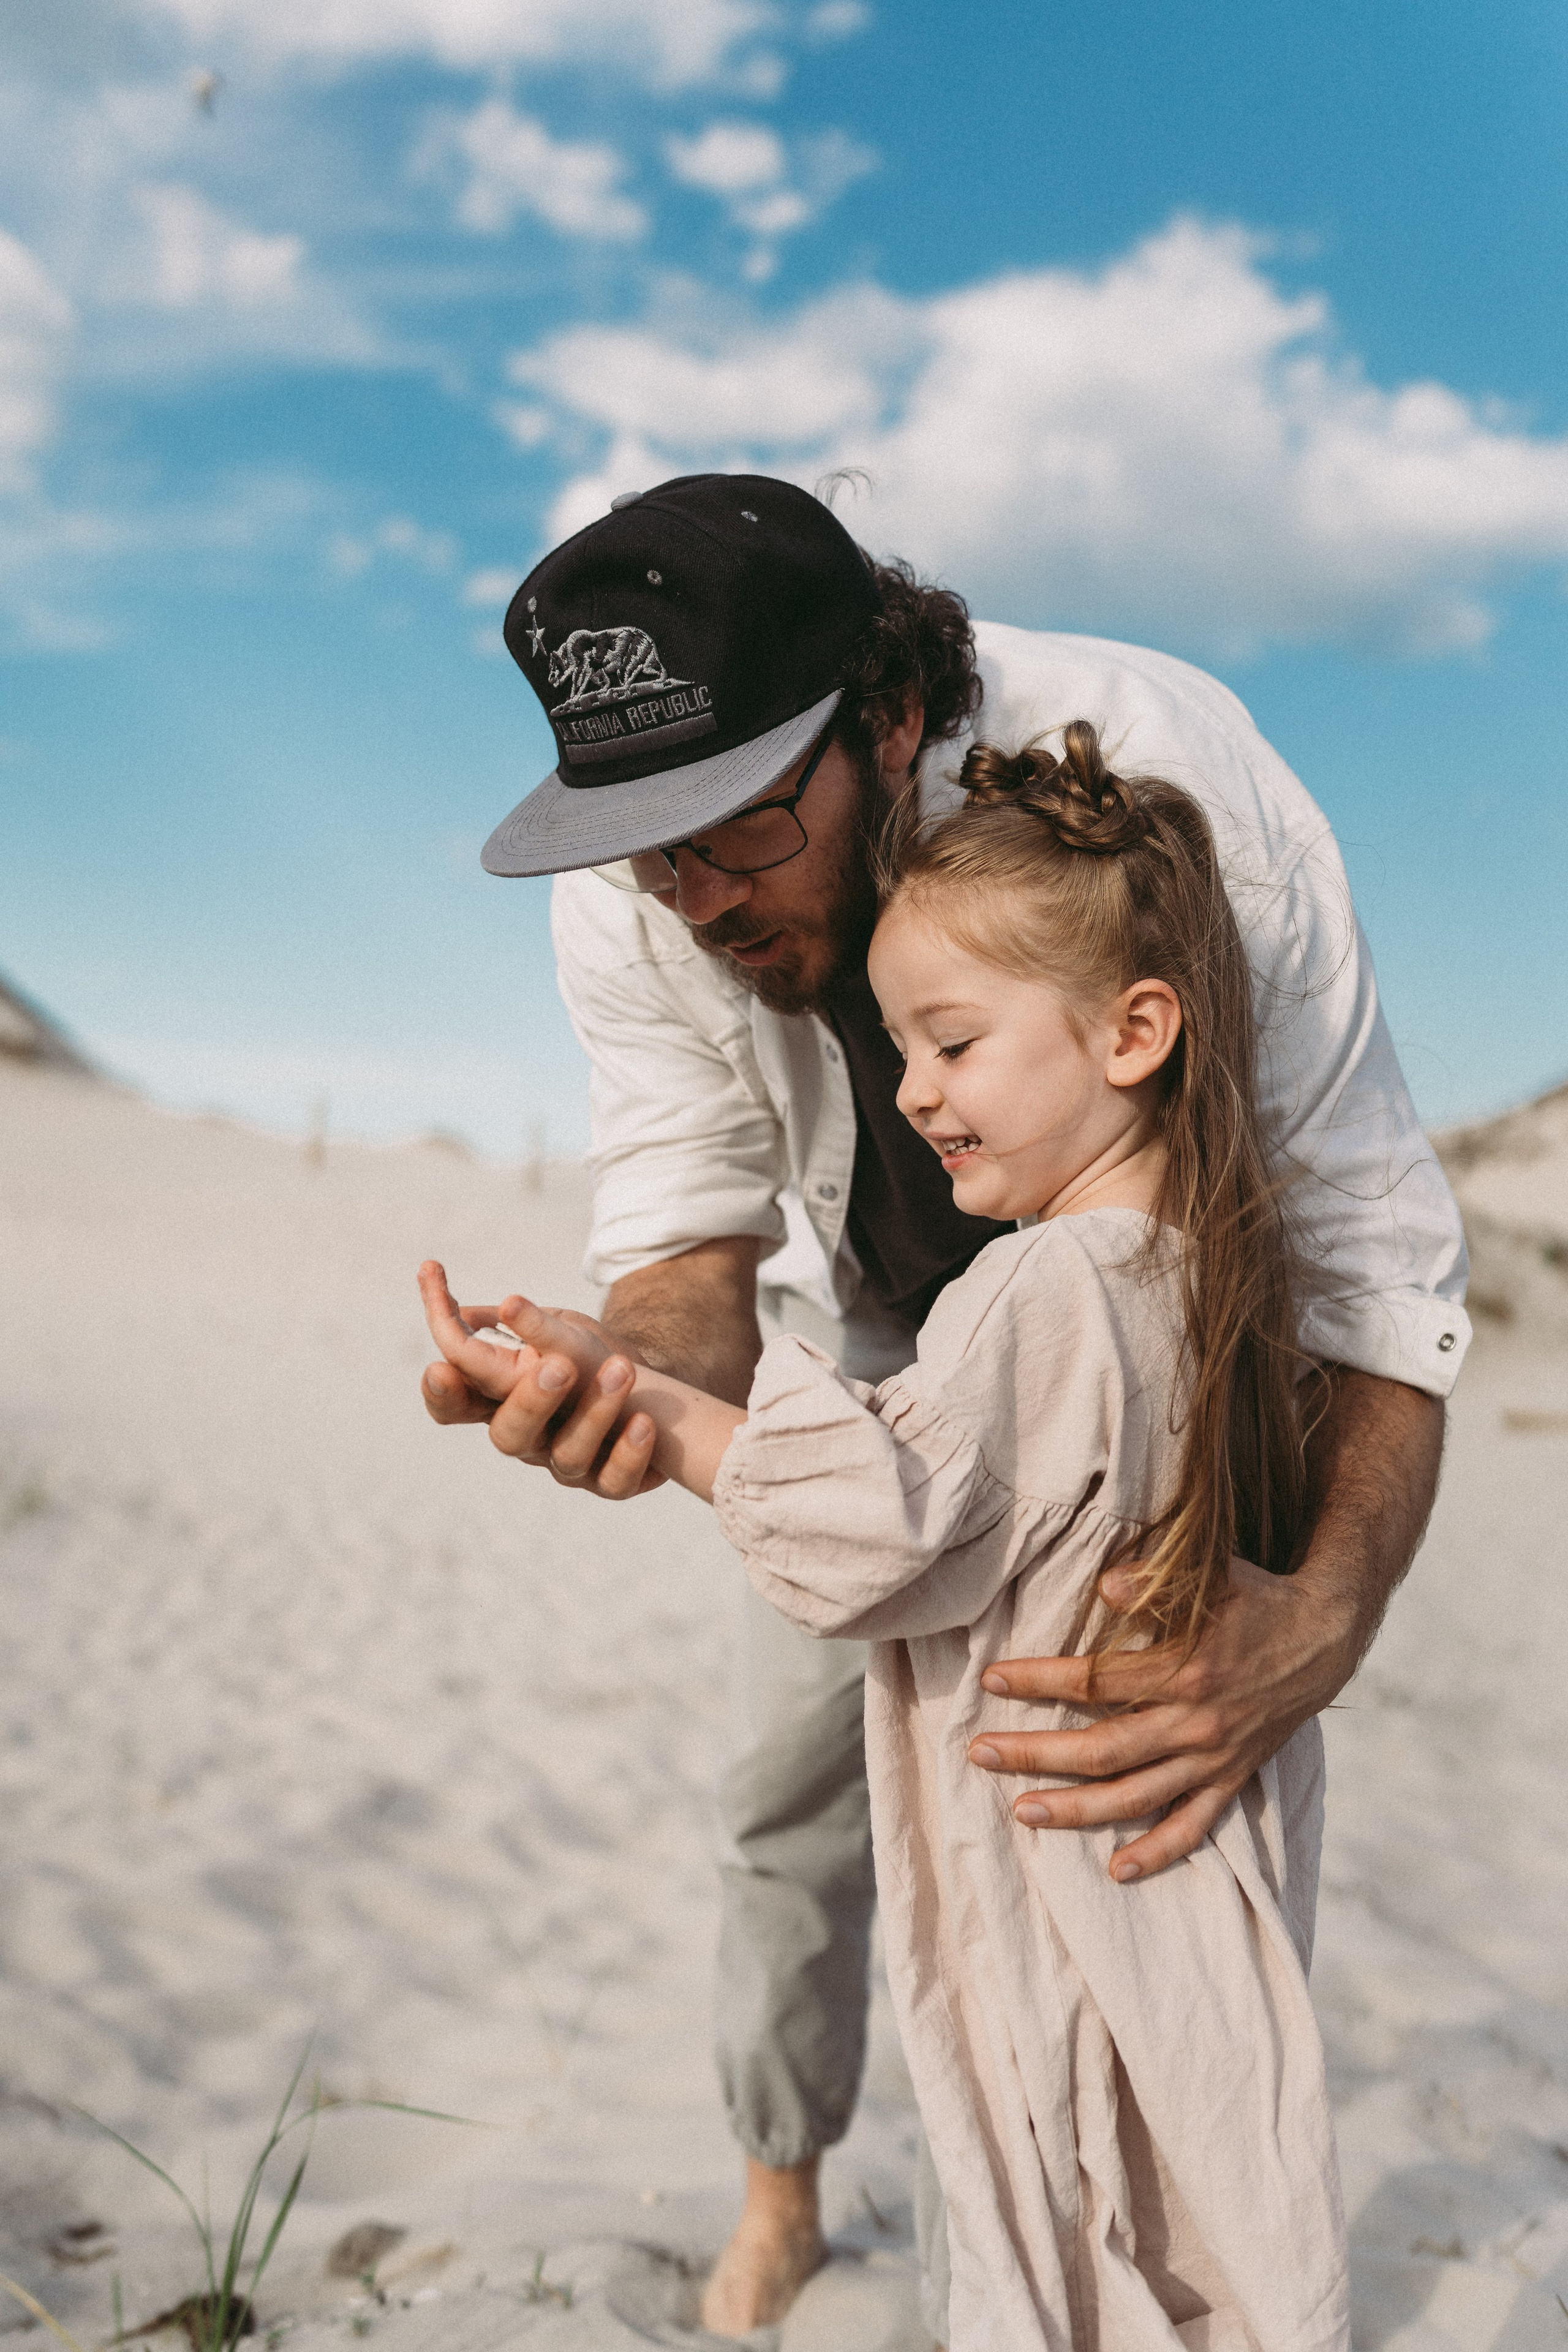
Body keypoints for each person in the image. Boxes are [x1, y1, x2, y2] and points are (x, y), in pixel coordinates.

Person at [421, 472, 1467, 2338]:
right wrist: (621, 1381)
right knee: (790, 1798)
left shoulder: (1179, 780)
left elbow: (1381, 1264)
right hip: (875, 1373)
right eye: (646, 850)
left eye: (736, 832)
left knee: (1162, 1847)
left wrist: (1316, 1613)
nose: (687, 897)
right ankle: (783, 2189)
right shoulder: (646, 885)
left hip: (1181, 1354)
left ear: (887, 727)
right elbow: (685, 1242)